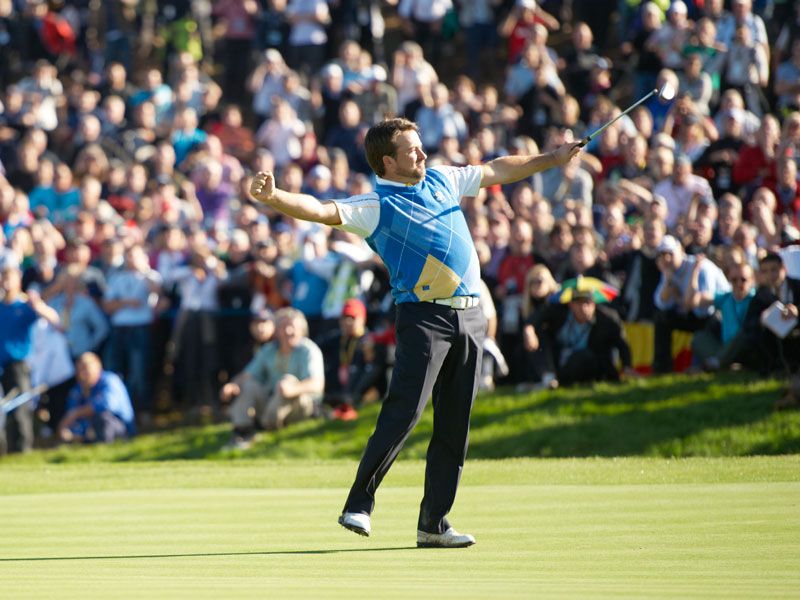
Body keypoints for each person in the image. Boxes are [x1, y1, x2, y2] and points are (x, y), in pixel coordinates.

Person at [249, 117, 580, 548]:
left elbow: (498, 169)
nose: (422, 154)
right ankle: (358, 504)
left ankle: (434, 523)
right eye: (412, 151)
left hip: (471, 316)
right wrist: (274, 196)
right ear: (388, 161)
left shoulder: (442, 178)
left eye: (420, 147)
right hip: (424, 318)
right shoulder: (376, 206)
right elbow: (321, 209)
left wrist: (551, 159)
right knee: (404, 411)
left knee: (454, 423)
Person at [220, 308, 324, 449]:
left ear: (302, 329)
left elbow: (317, 384)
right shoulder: (269, 350)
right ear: (276, 330)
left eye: (292, 327)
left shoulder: (309, 350)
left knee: (286, 381)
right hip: (272, 401)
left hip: (302, 405)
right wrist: (233, 385)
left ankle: (262, 430)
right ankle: (242, 431)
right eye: (282, 327)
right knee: (249, 385)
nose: (287, 331)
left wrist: (292, 389)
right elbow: (248, 375)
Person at [0, 255, 60, 454]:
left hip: (17, 365)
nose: (5, 281)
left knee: (19, 411)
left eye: (9, 276)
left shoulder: (25, 305)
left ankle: (21, 451)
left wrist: (38, 305)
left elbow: (54, 320)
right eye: (3, 276)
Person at [525, 288, 633, 386]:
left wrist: (626, 367)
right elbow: (535, 319)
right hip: (560, 361)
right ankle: (548, 377)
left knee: (583, 358)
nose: (584, 308)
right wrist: (529, 331)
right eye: (579, 303)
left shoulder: (608, 319)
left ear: (594, 304)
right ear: (570, 304)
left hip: (591, 364)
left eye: (587, 303)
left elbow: (622, 344)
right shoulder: (559, 313)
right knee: (538, 337)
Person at [57, 352, 135, 444]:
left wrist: (77, 413)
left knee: (102, 418)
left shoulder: (110, 380)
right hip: (90, 430)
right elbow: (70, 412)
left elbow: (107, 404)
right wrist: (66, 428)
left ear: (98, 367)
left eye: (85, 369)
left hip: (121, 428)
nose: (82, 374)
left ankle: (105, 447)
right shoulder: (78, 388)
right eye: (79, 370)